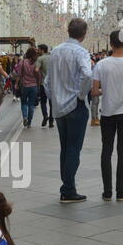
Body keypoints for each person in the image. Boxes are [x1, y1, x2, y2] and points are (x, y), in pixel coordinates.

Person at [45, 18, 92, 203]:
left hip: (59, 108)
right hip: (75, 105)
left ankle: (67, 186)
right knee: (73, 148)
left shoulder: (55, 51)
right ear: (84, 34)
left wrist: (53, 98)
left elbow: (47, 81)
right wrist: (81, 95)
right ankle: (68, 189)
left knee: (65, 148)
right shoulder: (81, 52)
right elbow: (87, 75)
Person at [92, 30, 123, 201]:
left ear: (110, 44)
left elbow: (94, 92)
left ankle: (107, 192)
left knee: (106, 150)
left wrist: (106, 90)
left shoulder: (101, 65)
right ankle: (121, 191)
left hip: (107, 113)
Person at [16, 47, 39, 128]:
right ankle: (29, 122)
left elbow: (19, 74)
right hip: (34, 85)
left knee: (24, 102)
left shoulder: (22, 62)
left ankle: (25, 116)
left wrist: (16, 84)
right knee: (31, 104)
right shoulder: (36, 62)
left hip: (25, 85)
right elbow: (38, 74)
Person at [35, 44, 53, 128]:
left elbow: (36, 70)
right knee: (52, 103)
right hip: (53, 83)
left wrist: (39, 75)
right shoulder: (52, 57)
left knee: (43, 101)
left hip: (43, 83)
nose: (37, 51)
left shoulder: (40, 58)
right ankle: (51, 121)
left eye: (38, 49)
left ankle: (45, 116)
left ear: (42, 50)